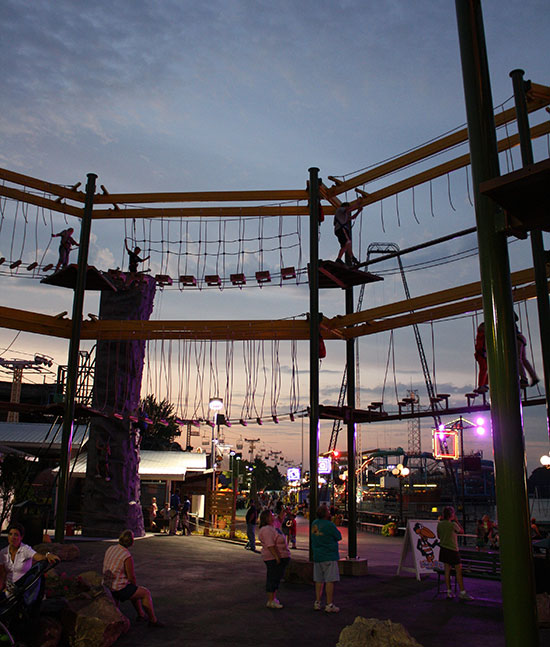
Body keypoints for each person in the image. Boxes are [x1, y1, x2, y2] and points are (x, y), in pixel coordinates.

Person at [102, 529, 163, 627]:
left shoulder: (110, 548)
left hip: (107, 584)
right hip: (118, 588)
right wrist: (134, 586)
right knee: (144, 592)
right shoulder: (126, 555)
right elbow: (131, 577)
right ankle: (153, 620)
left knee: (133, 589)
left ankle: (141, 614)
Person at [0, 522, 60, 595]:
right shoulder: (3, 552)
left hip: (24, 589)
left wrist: (47, 555)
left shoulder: (25, 549)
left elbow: (39, 557)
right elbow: (2, 574)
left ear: (21, 537)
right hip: (9, 590)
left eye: (16, 535)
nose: (13, 537)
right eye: (10, 534)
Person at [311, 504, 342, 613]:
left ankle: (317, 602)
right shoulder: (330, 525)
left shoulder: (314, 524)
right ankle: (329, 604)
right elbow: (338, 536)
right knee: (329, 580)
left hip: (317, 555)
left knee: (318, 580)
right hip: (329, 555)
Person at [436, 506, 472, 600]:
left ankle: (449, 591)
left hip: (443, 549)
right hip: (453, 550)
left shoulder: (440, 524)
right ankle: (462, 592)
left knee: (447, 571)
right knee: (458, 571)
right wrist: (457, 521)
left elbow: (439, 536)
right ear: (451, 515)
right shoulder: (452, 524)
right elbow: (461, 531)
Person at [258, 509, 291, 609]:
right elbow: (270, 545)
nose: (273, 516)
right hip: (273, 558)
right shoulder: (267, 530)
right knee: (273, 577)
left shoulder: (273, 527)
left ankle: (273, 598)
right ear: (267, 518)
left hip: (280, 556)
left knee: (276, 577)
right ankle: (271, 599)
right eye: (271, 515)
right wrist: (277, 557)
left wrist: (284, 512)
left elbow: (280, 519)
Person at [333, 201, 362, 266]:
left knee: (348, 244)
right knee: (347, 243)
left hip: (340, 229)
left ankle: (352, 257)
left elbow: (352, 217)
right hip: (341, 229)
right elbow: (348, 209)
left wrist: (358, 211)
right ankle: (339, 259)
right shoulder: (340, 209)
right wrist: (357, 203)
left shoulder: (344, 215)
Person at [515, 315, 539, 388]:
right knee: (523, 359)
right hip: (520, 338)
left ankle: (524, 379)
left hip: (517, 338)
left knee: (518, 358)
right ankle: (533, 377)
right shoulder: (513, 323)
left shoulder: (507, 322)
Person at [474, 322, 488, 394]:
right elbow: (480, 345)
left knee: (486, 369)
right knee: (484, 368)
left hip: (482, 353)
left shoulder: (481, 335)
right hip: (481, 354)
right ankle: (481, 385)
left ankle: (484, 383)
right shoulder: (482, 335)